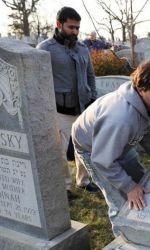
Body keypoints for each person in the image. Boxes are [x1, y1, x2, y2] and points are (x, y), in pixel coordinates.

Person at [71, 60, 150, 235]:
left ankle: (145, 228)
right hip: (92, 148)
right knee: (120, 201)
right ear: (140, 90)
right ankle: (124, 242)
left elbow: (147, 134)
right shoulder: (120, 118)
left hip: (120, 145)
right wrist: (128, 187)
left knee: (143, 185)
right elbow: (103, 161)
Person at [37, 6, 99, 200]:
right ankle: (65, 186)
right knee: (60, 151)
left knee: (85, 146)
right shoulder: (45, 49)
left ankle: (84, 180)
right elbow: (39, 80)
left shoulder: (82, 48)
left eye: (77, 28)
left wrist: (93, 97)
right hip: (60, 109)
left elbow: (90, 74)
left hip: (83, 107)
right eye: (71, 27)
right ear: (59, 24)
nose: (75, 32)